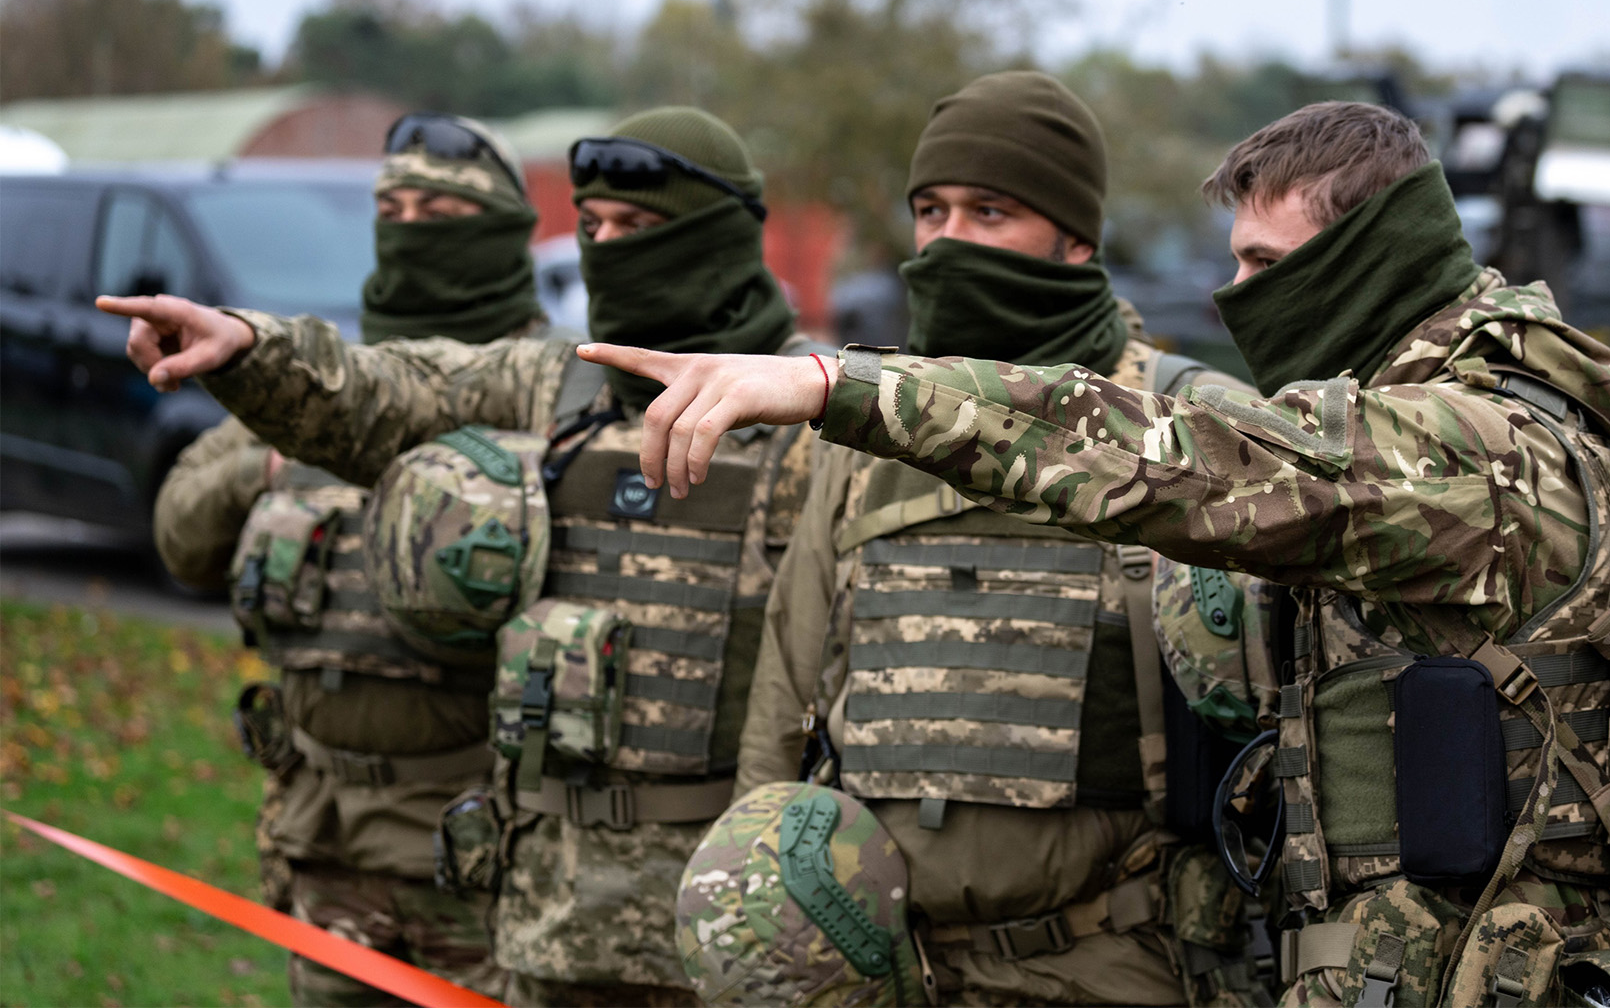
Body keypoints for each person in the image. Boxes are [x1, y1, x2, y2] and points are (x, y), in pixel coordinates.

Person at [570, 102, 1610, 1004]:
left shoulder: (1472, 449)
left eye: (1266, 265)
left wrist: (839, 380)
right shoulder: (1445, 417)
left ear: (1373, 255)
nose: (1235, 299)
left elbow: (1184, 455)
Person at [101, 106, 821, 1007]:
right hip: (547, 920)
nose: (609, 249)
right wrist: (250, 349)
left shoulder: (809, 419)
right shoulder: (550, 385)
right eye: (592, 227)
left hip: (722, 925)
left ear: (716, 235)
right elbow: (393, 387)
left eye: (639, 227)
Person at [693, 71, 1256, 1008]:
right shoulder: (862, 430)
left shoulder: (1184, 421)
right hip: (890, 971)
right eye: (931, 210)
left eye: (990, 212)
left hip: (1117, 962)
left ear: (1075, 237)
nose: (949, 241)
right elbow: (782, 710)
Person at [154, 111, 542, 1006]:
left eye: (439, 211)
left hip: (479, 855)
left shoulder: (543, 383)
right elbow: (181, 536)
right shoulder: (319, 385)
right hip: (322, 842)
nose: (408, 228)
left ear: (497, 233)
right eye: (392, 207)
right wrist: (275, 459)